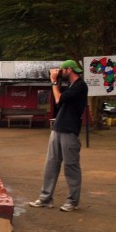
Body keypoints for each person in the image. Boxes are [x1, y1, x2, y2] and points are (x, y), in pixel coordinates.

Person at [29, 60, 88, 212]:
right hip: (58, 128)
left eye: (62, 70)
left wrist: (54, 81)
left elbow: (58, 99)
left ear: (69, 70)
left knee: (71, 166)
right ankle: (45, 198)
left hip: (69, 130)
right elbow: (60, 103)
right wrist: (57, 82)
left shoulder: (81, 86)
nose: (60, 72)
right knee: (51, 164)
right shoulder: (70, 86)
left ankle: (72, 201)